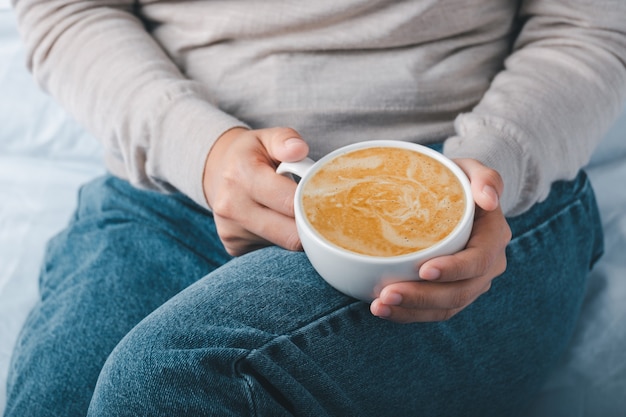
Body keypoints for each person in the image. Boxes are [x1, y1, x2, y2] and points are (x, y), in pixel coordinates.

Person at [4, 0, 625, 416]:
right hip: (174, 181)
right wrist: (199, 149)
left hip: (476, 194)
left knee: (168, 379)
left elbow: (591, 26)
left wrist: (487, 171)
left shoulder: (481, 186)